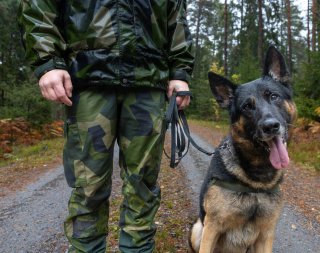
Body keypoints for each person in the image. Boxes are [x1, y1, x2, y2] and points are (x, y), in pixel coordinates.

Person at [18, 1, 194, 252]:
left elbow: (176, 14)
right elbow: (37, 5)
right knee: (88, 186)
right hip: (88, 77)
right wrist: (47, 58)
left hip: (149, 79)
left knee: (143, 184)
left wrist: (180, 70)